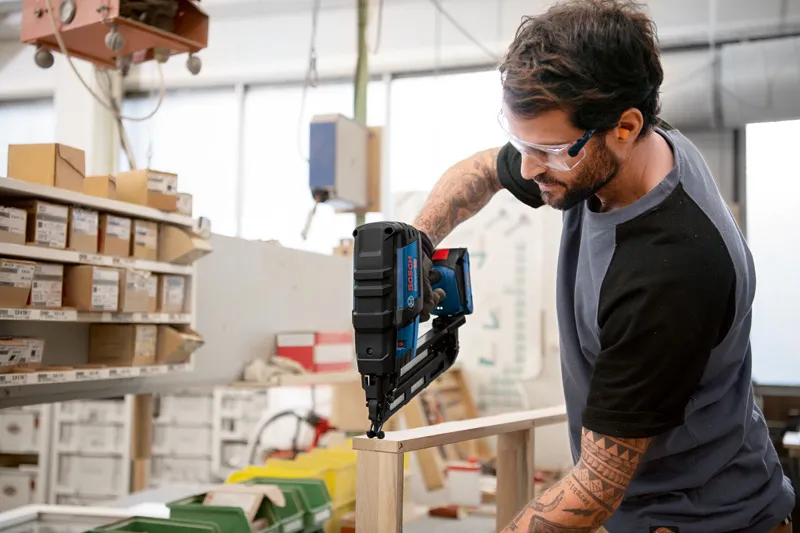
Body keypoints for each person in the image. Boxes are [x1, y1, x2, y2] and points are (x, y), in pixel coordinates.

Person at [412, 1, 796, 532]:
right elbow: (483, 170)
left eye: (547, 150)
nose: (527, 168)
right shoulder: (609, 158)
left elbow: (594, 487)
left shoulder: (670, 271)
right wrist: (414, 244)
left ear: (625, 126)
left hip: (711, 523)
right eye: (523, 142)